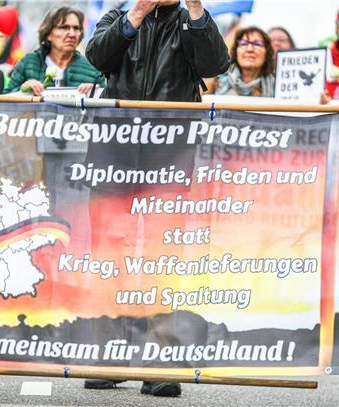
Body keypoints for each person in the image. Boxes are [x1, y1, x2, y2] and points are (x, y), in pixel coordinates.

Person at [85, 0, 228, 397]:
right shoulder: (118, 15)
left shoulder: (190, 19)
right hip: (113, 151)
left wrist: (197, 8)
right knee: (109, 255)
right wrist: (138, 12)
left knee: (162, 257)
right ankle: (105, 358)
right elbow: (97, 55)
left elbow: (216, 64)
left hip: (170, 153)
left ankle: (162, 363)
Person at [4, 6, 101, 95]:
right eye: (64, 27)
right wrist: (23, 90)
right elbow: (4, 101)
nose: (72, 34)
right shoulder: (28, 62)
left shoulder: (92, 69)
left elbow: (107, 103)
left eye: (76, 28)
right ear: (48, 33)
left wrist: (95, 92)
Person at [206, 26, 275, 97]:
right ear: (236, 51)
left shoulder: (276, 86)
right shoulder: (215, 80)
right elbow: (196, 105)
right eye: (244, 43)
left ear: (267, 52)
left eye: (257, 43)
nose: (250, 49)